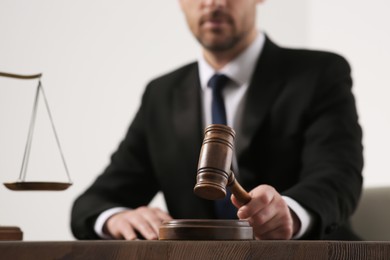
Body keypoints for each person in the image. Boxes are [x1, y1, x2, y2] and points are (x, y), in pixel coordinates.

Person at [71, 0, 363, 240]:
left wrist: (291, 213)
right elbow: (94, 201)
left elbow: (338, 177)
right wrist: (115, 218)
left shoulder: (320, 73)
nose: (213, 3)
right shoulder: (160, 95)